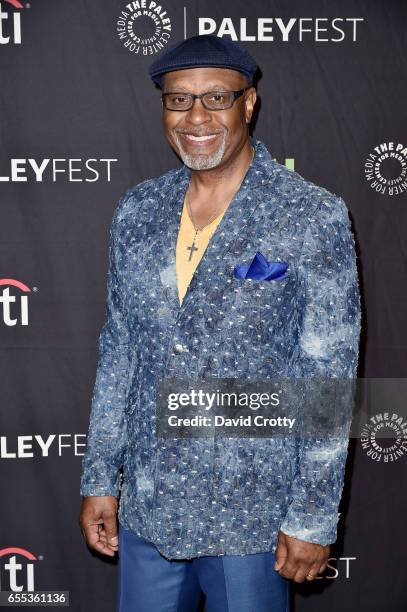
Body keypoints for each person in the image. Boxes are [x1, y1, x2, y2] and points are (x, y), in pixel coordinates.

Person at [79, 34, 361, 611]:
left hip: (251, 512)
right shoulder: (138, 210)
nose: (196, 117)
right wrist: (101, 476)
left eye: (216, 98)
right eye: (179, 101)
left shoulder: (311, 215)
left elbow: (326, 382)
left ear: (249, 103)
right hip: (151, 506)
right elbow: (120, 351)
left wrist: (311, 513)